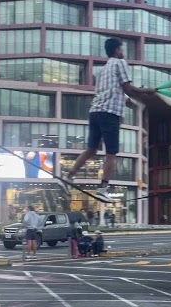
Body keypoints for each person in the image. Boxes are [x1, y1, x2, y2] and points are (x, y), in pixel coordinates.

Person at [65, 38, 153, 200]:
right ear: (117, 50)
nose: (123, 52)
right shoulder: (120, 63)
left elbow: (115, 92)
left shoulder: (103, 70)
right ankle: (102, 189)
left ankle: (68, 176)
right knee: (111, 153)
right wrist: (148, 91)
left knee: (91, 149)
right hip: (109, 114)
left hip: (95, 112)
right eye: (122, 49)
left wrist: (128, 99)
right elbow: (129, 89)